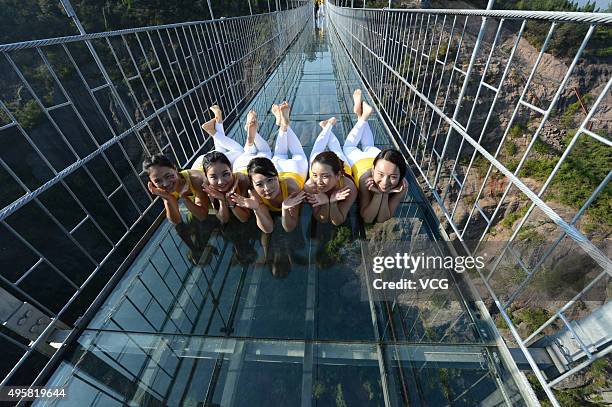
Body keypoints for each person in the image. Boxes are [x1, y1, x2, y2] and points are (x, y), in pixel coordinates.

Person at [230, 102, 306, 233]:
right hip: (278, 168)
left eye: (270, 181)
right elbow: (269, 229)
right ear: (252, 185)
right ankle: (283, 124)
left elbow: (289, 228)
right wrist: (257, 208)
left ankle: (283, 124)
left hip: (295, 170)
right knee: (282, 153)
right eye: (259, 184)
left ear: (277, 176)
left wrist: (284, 208)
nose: (267, 189)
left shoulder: (292, 188)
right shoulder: (254, 193)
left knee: (293, 153)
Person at [343, 89, 409, 223]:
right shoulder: (365, 180)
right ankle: (361, 116)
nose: (385, 182)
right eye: (381, 175)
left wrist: (381, 194)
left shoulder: (402, 185)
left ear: (400, 176)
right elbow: (368, 218)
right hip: (360, 161)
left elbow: (381, 218)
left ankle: (361, 115)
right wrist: (382, 194)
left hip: (377, 157)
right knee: (348, 146)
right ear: (373, 171)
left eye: (393, 177)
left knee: (366, 145)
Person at [197, 106, 266, 223]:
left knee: (240, 151)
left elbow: (244, 218)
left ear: (231, 169)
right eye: (213, 177)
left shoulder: (240, 180)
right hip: (212, 162)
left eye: (225, 174)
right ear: (207, 177)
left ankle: (218, 127)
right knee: (231, 151)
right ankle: (217, 126)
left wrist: (229, 200)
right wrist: (223, 201)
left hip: (221, 163)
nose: (221, 182)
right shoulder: (209, 188)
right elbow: (223, 219)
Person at [304, 117, 358, 225]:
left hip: (341, 165)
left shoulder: (348, 187)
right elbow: (321, 219)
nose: (318, 182)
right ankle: (328, 125)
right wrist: (325, 204)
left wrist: (332, 204)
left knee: (337, 149)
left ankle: (327, 126)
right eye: (315, 175)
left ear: (338, 176)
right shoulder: (310, 186)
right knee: (317, 149)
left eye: (325, 176)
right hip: (318, 165)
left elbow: (338, 221)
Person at [144, 154, 209, 224]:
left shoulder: (196, 179)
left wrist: (184, 197)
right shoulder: (164, 189)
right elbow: (176, 221)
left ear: (175, 169)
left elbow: (203, 216)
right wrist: (168, 198)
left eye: (168, 176)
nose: (166, 184)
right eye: (158, 181)